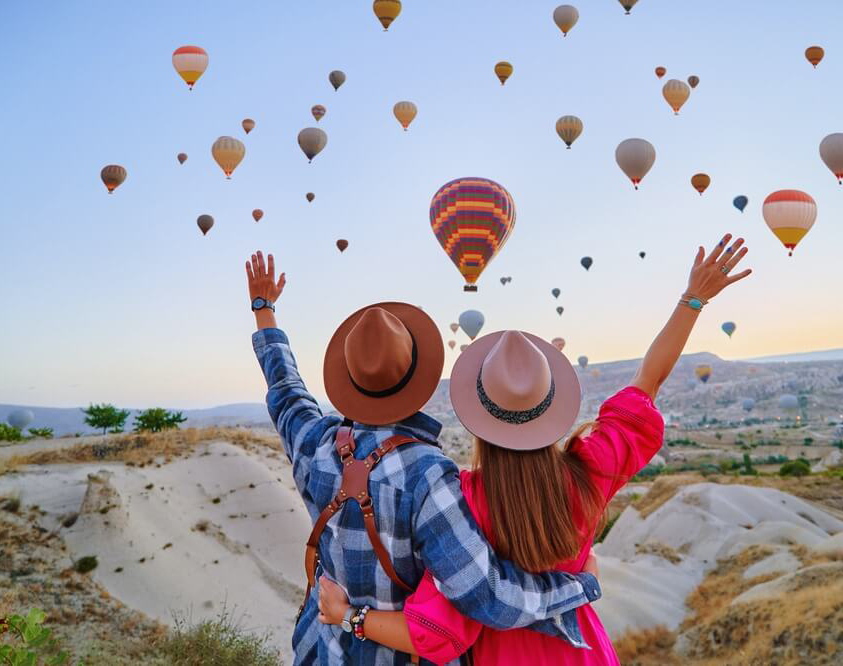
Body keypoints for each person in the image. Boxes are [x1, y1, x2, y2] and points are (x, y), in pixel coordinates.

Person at [316, 234, 753, 664]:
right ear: (552, 411)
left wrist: (348, 615)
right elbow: (648, 383)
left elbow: (435, 633)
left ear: (479, 423)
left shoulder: (461, 498)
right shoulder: (592, 469)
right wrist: (692, 300)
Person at [245, 251, 603, 666]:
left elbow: (286, 390)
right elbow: (487, 595)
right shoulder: (429, 474)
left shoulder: (312, 441)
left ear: (349, 378)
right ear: (419, 378)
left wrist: (263, 310)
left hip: (324, 651)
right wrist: (582, 587)